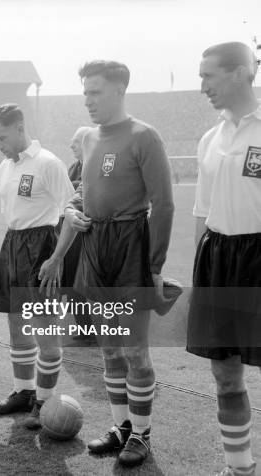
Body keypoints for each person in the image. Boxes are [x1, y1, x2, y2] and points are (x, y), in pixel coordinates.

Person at [39, 61, 174, 467]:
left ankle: (143, 435)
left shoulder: (144, 136)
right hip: (94, 246)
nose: (88, 101)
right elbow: (83, 192)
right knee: (109, 346)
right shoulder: (91, 139)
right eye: (85, 92)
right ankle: (122, 429)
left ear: (118, 91)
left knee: (134, 349)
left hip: (131, 245)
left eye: (95, 92)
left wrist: (154, 265)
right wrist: (72, 210)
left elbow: (164, 204)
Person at [187, 42, 260, 476]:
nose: (202, 87)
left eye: (208, 76)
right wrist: (200, 274)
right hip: (217, 259)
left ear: (240, 73)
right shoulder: (209, 138)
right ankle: (239, 468)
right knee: (225, 375)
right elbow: (201, 209)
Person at [0, 104, 74, 430]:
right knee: (17, 328)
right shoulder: (6, 167)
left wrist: (57, 257)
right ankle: (23, 393)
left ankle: (44, 402)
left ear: (20, 128)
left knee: (45, 333)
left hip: (42, 246)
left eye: (2, 137)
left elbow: (71, 213)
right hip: (13, 244)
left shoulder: (49, 163)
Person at [62, 127, 95, 342]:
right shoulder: (73, 167)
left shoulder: (98, 165)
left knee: (94, 285)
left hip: (92, 234)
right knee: (73, 282)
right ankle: (84, 328)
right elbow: (65, 197)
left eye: (75, 142)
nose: (71, 146)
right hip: (74, 235)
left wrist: (72, 191)